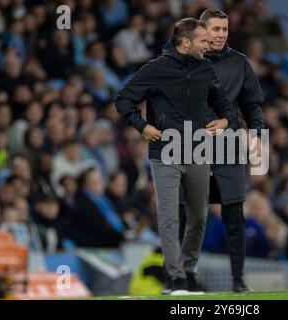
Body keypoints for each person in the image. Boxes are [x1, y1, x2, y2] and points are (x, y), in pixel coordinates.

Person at [115, 18, 235, 295]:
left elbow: (222, 102)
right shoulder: (156, 69)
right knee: (170, 217)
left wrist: (226, 121)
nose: (210, 45)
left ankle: (188, 272)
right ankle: (176, 279)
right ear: (185, 42)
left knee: (198, 216)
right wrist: (142, 126)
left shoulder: (206, 68)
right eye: (203, 41)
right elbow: (123, 99)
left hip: (198, 150)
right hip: (166, 152)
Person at [173, 8, 264, 293]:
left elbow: (252, 103)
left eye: (224, 30)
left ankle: (238, 280)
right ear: (203, 30)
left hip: (229, 147)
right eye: (215, 30)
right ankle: (184, 277)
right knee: (190, 213)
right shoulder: (185, 61)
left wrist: (258, 133)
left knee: (234, 212)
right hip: (193, 144)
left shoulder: (240, 63)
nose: (221, 34)